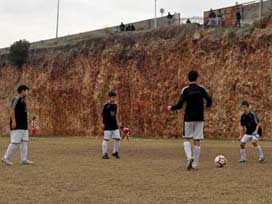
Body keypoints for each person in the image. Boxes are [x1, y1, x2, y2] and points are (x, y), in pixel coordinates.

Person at [168, 70, 212, 170]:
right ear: (197, 78)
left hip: (188, 118)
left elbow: (180, 104)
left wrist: (172, 108)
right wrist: (207, 106)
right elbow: (209, 99)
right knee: (197, 140)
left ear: (188, 78)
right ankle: (195, 164)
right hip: (199, 118)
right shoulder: (201, 89)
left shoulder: (186, 90)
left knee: (186, 138)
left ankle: (189, 157)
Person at [2, 85, 34, 165]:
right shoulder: (16, 99)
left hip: (23, 125)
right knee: (15, 142)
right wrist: (13, 121)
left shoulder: (23, 101)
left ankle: (24, 160)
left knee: (24, 142)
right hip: (18, 125)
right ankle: (5, 158)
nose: (27, 92)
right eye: (27, 91)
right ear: (22, 91)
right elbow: (12, 110)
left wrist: (28, 124)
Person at [101, 91, 121, 159]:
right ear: (109, 97)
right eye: (113, 97)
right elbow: (101, 115)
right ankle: (104, 154)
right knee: (106, 139)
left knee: (118, 138)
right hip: (107, 125)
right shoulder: (105, 106)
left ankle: (115, 152)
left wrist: (118, 122)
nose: (114, 98)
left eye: (115, 97)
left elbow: (115, 114)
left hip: (114, 125)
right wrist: (102, 123)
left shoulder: (115, 105)